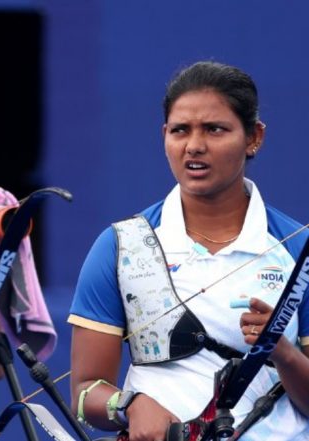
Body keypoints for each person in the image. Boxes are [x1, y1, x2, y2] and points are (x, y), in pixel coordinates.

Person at [67, 61, 309, 441]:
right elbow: (84, 391)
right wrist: (128, 405)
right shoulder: (120, 245)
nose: (194, 145)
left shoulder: (298, 250)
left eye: (215, 129)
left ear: (253, 137)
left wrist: (283, 353)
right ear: (165, 136)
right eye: (181, 130)